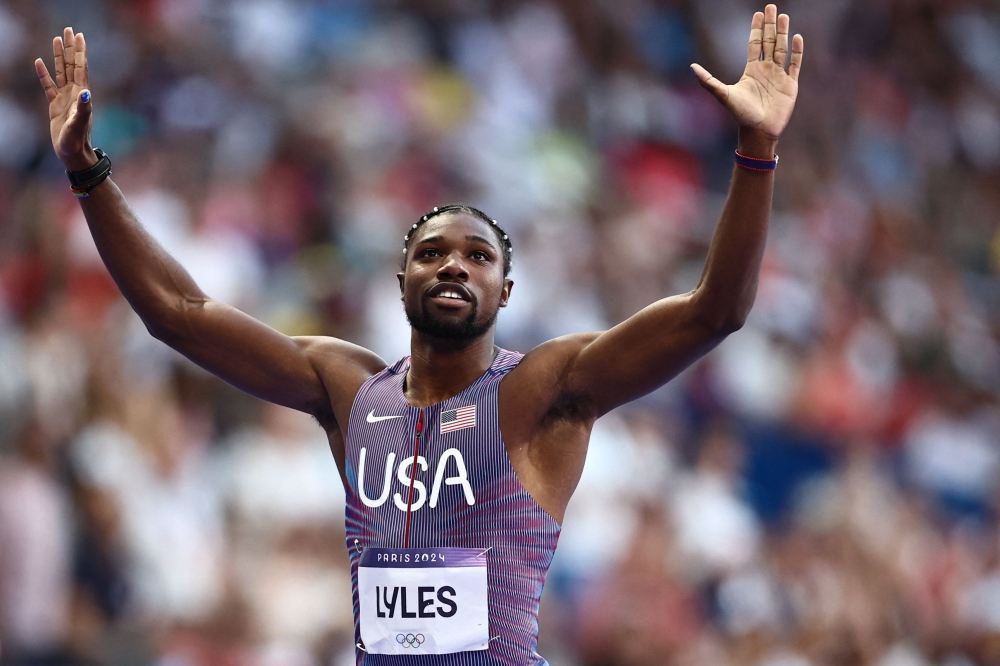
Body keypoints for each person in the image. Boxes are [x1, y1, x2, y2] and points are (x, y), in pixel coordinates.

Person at [34, 5, 803, 664]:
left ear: (507, 288)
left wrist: (757, 150)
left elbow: (716, 311)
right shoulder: (347, 389)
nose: (452, 267)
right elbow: (178, 314)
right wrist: (87, 173)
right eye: (430, 253)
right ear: (398, 281)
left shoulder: (545, 389)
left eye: (477, 257)